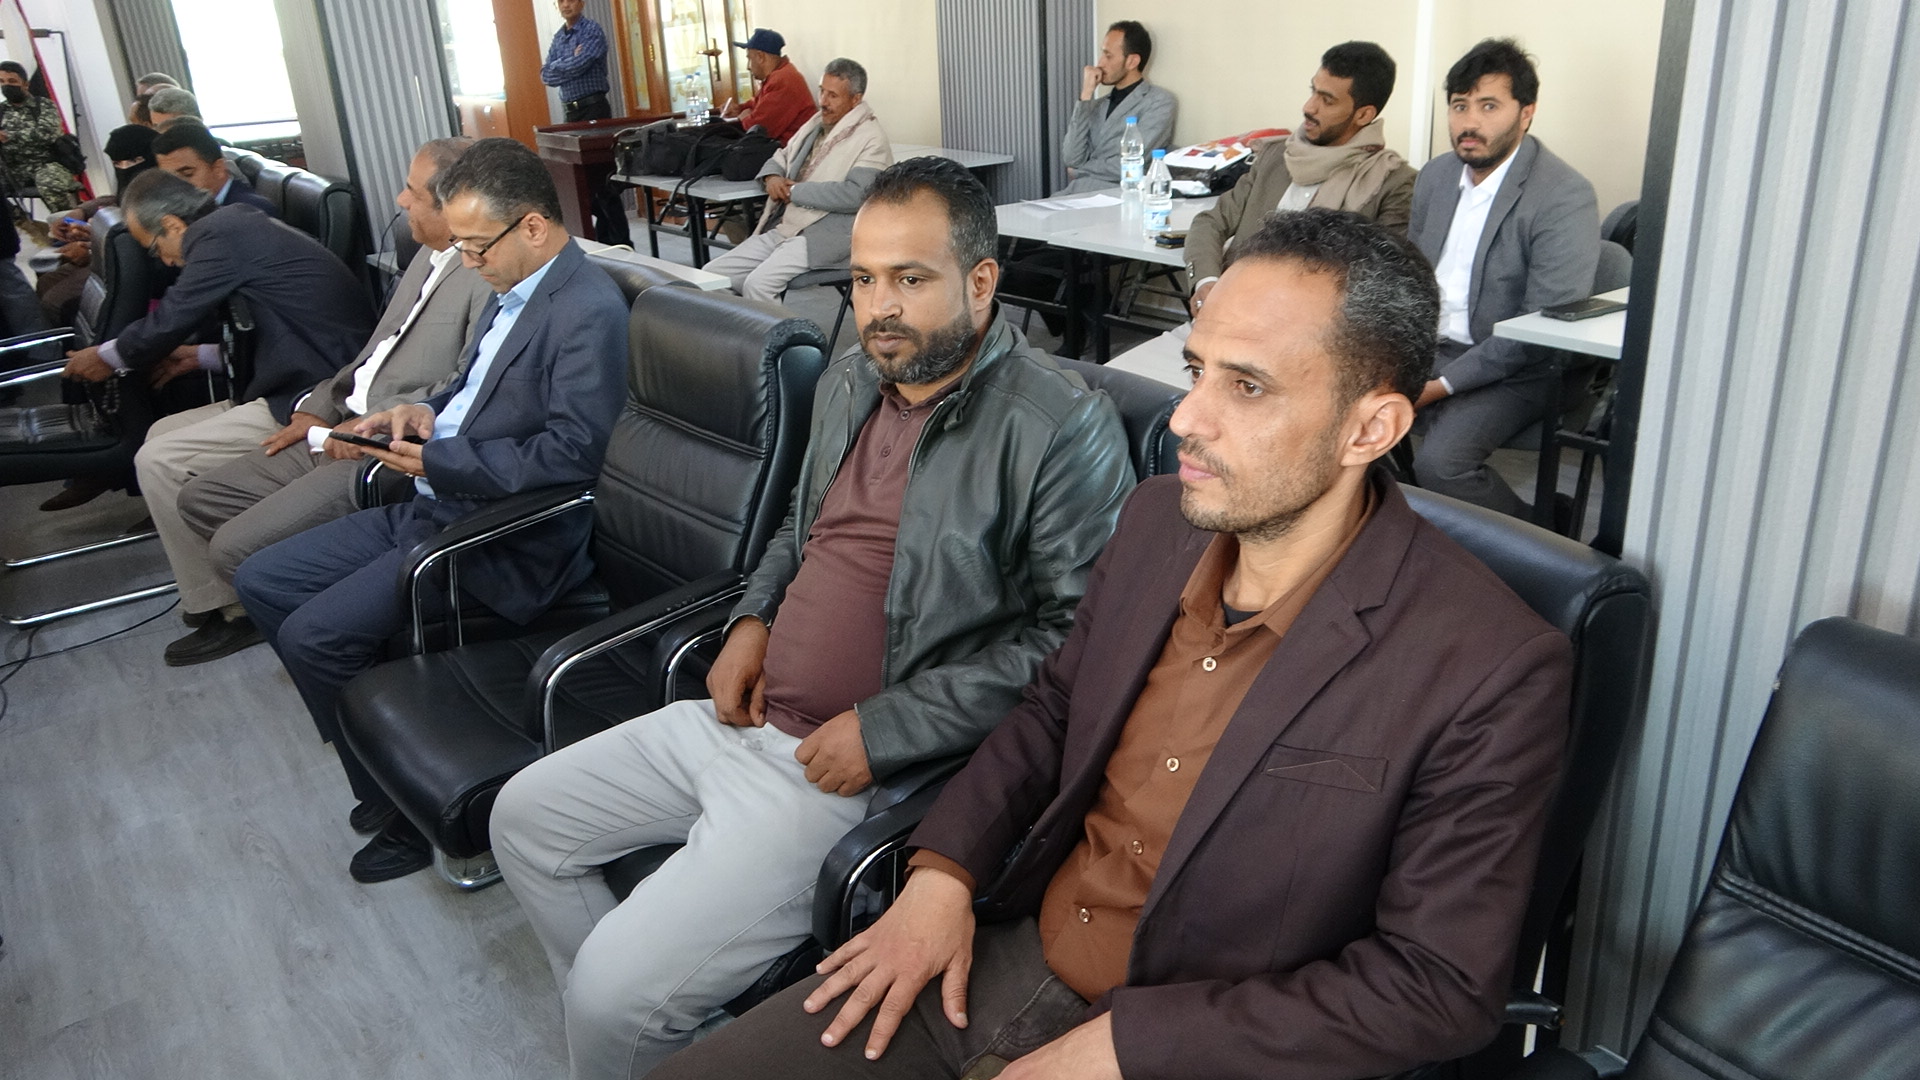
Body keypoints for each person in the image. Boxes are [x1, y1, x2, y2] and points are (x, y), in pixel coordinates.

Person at [648, 208, 1573, 1080]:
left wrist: (1131, 1048)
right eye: (1197, 368)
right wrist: (941, 871)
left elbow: (1435, 986)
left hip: (1202, 1040)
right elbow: (1053, 711)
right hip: (1004, 960)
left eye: (1246, 386)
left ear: (1371, 428)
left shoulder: (1489, 665)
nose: (1187, 418)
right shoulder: (1158, 523)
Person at [490, 156, 1135, 1080]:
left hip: (841, 773)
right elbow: (800, 529)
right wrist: (752, 620)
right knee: (522, 820)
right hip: (739, 720)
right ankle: (644, 1032)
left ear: (981, 281)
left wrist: (888, 727)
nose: (879, 308)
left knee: (607, 996)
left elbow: (1077, 644)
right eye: (864, 279)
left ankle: (623, 1017)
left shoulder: (1059, 425)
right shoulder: (849, 381)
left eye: (910, 279)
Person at [233, 137, 630, 885]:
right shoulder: (514, 289)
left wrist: (442, 461)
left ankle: (401, 812)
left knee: (316, 636)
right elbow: (473, 389)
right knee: (262, 580)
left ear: (534, 227)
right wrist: (424, 412)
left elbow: (577, 454)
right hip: (432, 503)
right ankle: (377, 764)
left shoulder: (587, 311)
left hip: (491, 535)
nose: (466, 260)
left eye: (477, 246)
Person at [152, 139, 493, 667]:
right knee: (200, 499)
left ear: (452, 206)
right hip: (336, 420)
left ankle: (325, 636)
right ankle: (304, 598)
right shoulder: (426, 255)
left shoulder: (483, 273)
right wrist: (319, 406)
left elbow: (464, 384)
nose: (399, 201)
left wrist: (370, 426)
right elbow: (371, 354)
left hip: (378, 447)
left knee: (233, 550)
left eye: (411, 191)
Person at [1112, 41, 1417, 389]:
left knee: (1182, 412)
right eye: (1313, 91)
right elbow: (1210, 223)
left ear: (1363, 114)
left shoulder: (1391, 182)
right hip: (1222, 323)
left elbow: (1378, 285)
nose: (1309, 107)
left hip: (1303, 348)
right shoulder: (1275, 158)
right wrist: (1207, 283)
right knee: (1111, 388)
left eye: (1327, 100)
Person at [1408, 39, 1599, 519]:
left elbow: (1537, 330)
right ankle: (1404, 526)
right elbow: (1408, 277)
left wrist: (1438, 386)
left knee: (1441, 465)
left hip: (1520, 367)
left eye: (1489, 106)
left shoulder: (1563, 195)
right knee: (1333, 413)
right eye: (1459, 106)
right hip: (1432, 347)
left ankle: (1540, 532)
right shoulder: (1435, 176)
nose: (1469, 123)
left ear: (1526, 113)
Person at [704, 58, 890, 302]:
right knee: (711, 277)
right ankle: (744, 325)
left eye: (833, 95)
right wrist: (772, 177)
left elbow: (858, 195)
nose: (823, 101)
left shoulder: (871, 138)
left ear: (856, 99)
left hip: (827, 236)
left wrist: (795, 192)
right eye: (822, 91)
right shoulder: (815, 123)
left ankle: (777, 329)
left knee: (758, 286)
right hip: (786, 225)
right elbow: (781, 155)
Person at [540, 0, 629, 246]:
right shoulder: (559, 37)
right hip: (571, 114)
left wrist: (562, 65)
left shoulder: (592, 30)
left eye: (571, 0)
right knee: (582, 183)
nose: (566, 5)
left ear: (581, 3)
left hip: (594, 109)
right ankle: (603, 239)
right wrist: (570, 59)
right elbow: (546, 75)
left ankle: (622, 242)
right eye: (561, 1)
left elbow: (583, 63)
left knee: (603, 180)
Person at [1057, 21, 1176, 195]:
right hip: (1075, 193)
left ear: (1132, 61)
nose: (1100, 63)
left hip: (1118, 196)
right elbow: (1071, 157)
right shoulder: (1096, 105)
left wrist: (1079, 170)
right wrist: (1086, 94)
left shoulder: (1159, 102)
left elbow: (1132, 164)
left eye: (1108, 56)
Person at [151, 120, 278, 216]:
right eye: (169, 178)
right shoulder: (189, 209)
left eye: (187, 174)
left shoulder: (253, 211)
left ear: (218, 168)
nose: (177, 186)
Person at [0, 61, 80, 212]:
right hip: (13, 170)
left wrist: (9, 135)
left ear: (25, 84)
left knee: (49, 183)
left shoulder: (43, 106)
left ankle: (68, 221)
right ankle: (17, 219)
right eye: (2, 81)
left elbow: (48, 133)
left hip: (47, 165)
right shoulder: (1, 110)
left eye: (12, 81)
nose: (6, 85)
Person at [725, 28, 813, 145]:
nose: (748, 67)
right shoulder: (777, 76)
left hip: (785, 151)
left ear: (760, 57)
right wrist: (739, 109)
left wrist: (742, 118)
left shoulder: (784, 80)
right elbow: (756, 105)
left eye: (749, 58)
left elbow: (757, 130)